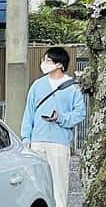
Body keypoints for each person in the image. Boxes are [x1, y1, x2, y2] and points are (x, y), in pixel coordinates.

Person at [22, 47, 86, 207]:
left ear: (60, 65)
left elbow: (80, 114)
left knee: (59, 186)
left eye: (48, 61)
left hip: (59, 143)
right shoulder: (37, 85)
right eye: (44, 60)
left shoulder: (72, 87)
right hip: (37, 141)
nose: (43, 63)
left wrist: (61, 117)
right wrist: (26, 138)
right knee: (36, 187)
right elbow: (28, 113)